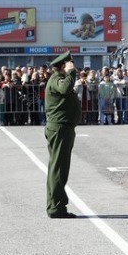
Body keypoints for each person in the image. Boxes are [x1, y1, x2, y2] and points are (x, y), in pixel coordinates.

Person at [44, 52, 80, 218]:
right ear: (63, 66)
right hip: (60, 129)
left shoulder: (59, 78)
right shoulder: (57, 79)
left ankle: (55, 204)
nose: (73, 67)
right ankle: (56, 207)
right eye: (70, 64)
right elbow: (65, 89)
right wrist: (71, 73)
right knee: (59, 169)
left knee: (57, 168)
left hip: (62, 128)